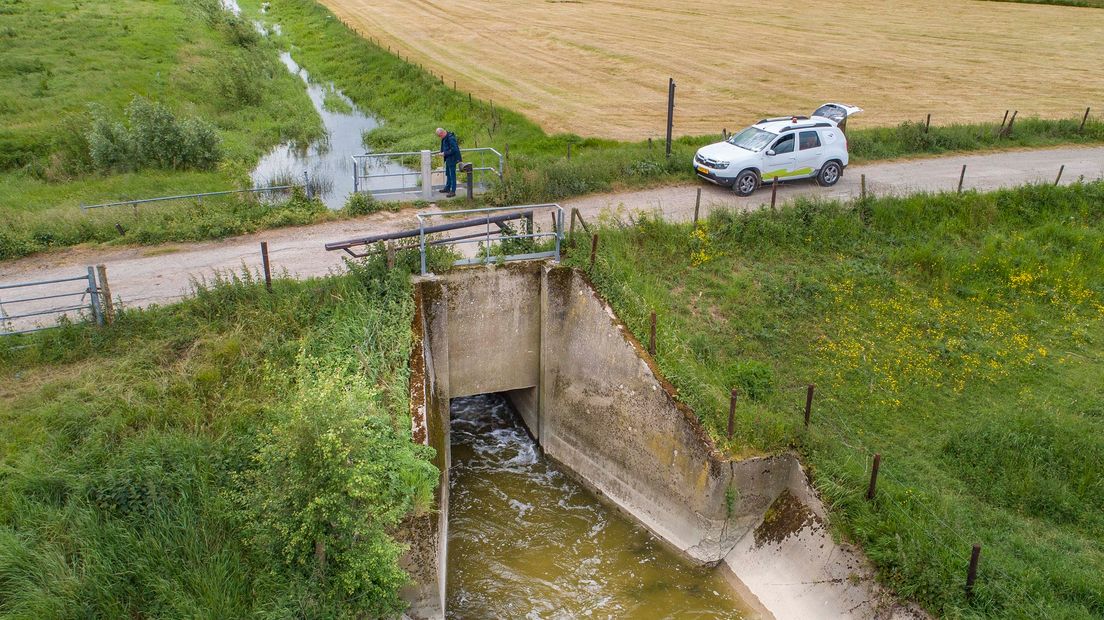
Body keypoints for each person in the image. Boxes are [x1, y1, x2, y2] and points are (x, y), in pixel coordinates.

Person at [436, 127, 460, 197]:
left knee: (452, 175)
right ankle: (447, 188)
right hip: (448, 158)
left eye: (440, 136)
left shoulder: (450, 138)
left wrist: (444, 153)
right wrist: (442, 152)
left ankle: (453, 191)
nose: (440, 137)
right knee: (448, 174)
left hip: (452, 159)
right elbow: (445, 146)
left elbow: (454, 149)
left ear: (442, 132)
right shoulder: (445, 137)